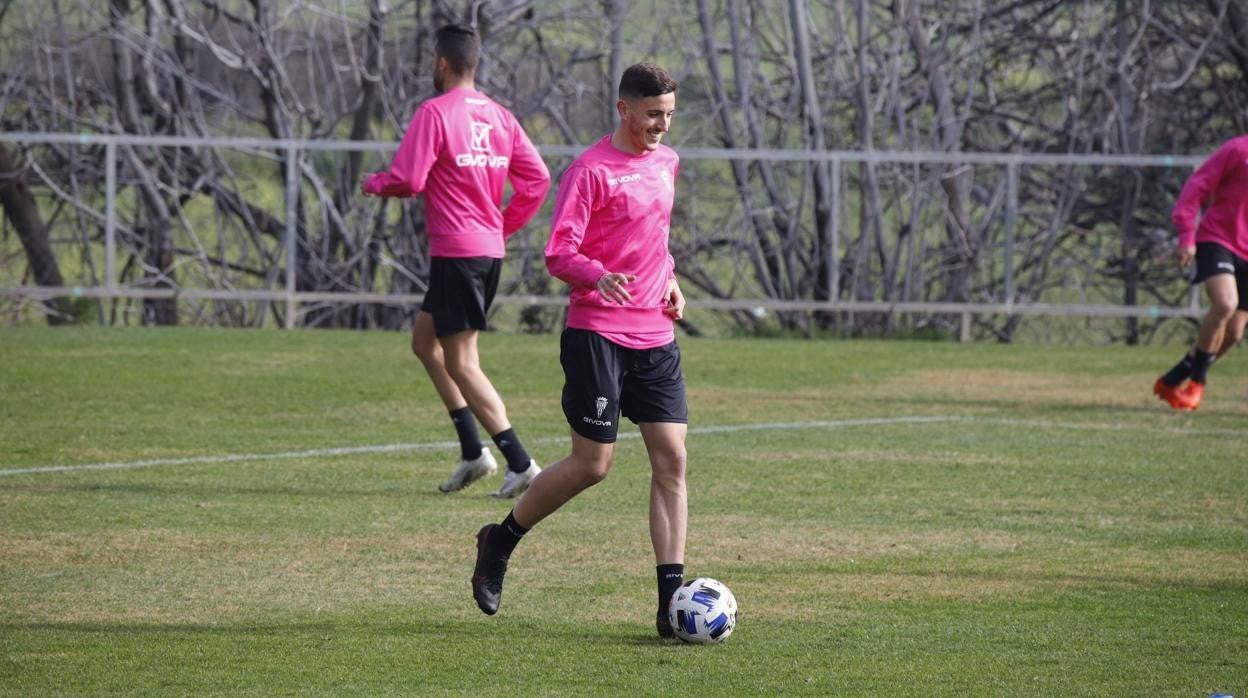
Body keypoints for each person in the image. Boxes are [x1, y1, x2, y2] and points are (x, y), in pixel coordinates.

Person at [469, 63, 688, 638]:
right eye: (652, 115)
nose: (661, 126)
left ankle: (670, 604)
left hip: (655, 334)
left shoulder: (667, 163)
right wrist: (597, 274)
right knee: (594, 465)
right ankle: (500, 539)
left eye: (668, 115)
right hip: (596, 332)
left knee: (672, 459)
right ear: (623, 109)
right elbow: (558, 252)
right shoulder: (590, 171)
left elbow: (657, 240)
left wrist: (669, 276)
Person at [362, 23, 550, 496]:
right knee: (426, 344)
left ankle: (521, 463)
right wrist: (499, 226)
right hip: (481, 252)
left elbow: (408, 178)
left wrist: (375, 183)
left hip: (459, 254)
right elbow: (538, 180)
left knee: (463, 362)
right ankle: (473, 453)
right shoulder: (500, 117)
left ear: (442, 63)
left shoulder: (435, 113)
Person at [1153, 135, 1248, 411]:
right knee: (1225, 304)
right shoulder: (1238, 150)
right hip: (1218, 240)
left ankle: (1171, 381)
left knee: (1233, 333)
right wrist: (1186, 236)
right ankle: (1197, 385)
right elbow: (1197, 186)